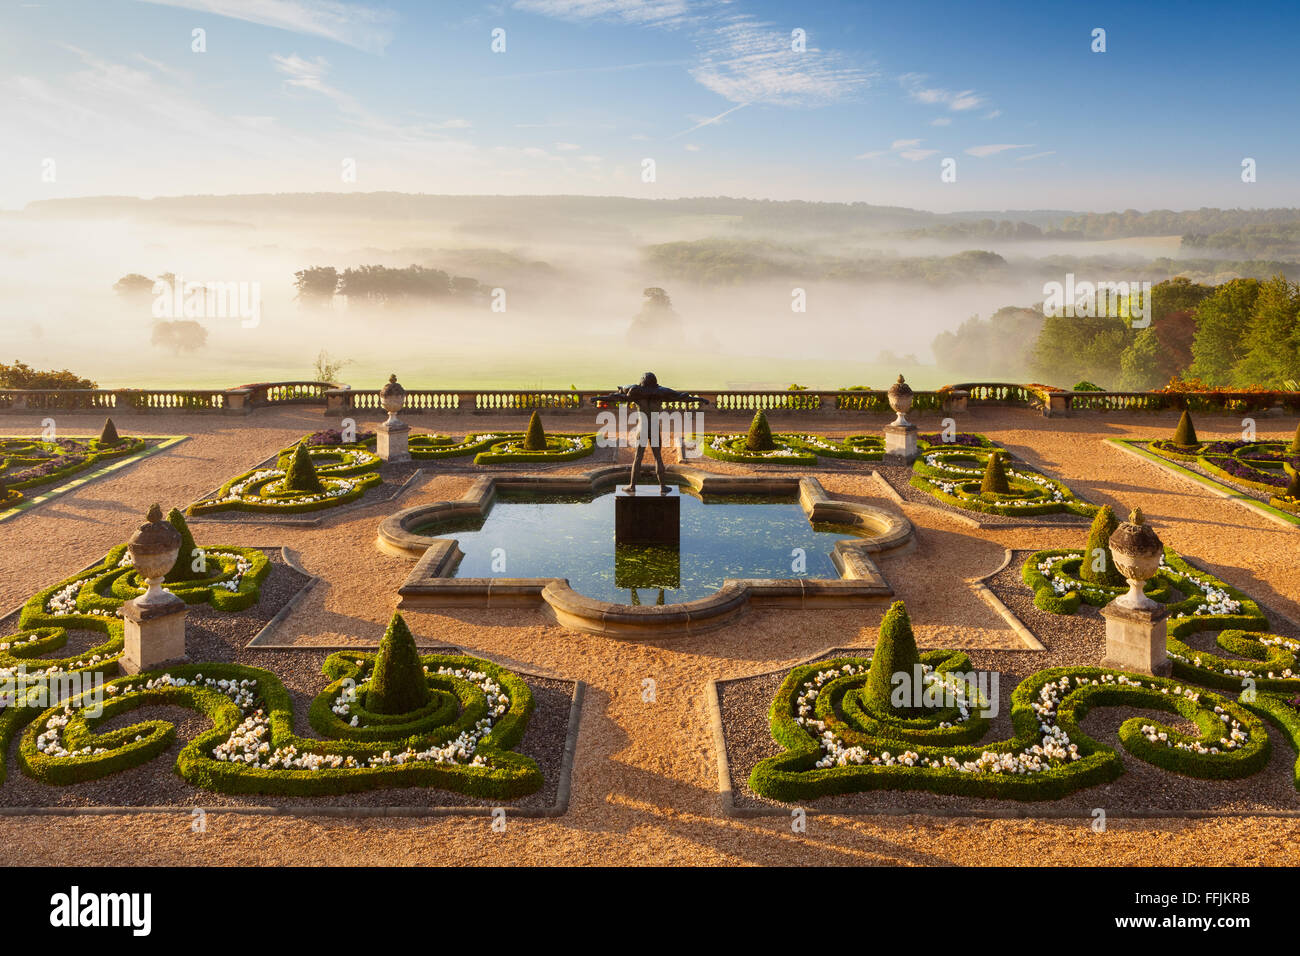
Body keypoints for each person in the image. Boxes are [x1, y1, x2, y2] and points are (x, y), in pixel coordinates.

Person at [590, 372, 709, 494]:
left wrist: (598, 398)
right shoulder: (660, 393)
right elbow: (682, 397)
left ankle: (632, 486)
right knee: (658, 458)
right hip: (655, 428)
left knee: (638, 458)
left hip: (642, 428)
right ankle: (663, 486)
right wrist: (700, 399)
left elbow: (615, 397)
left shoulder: (637, 393)